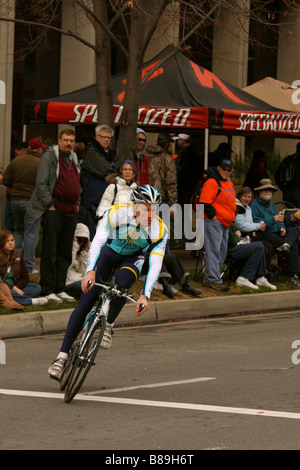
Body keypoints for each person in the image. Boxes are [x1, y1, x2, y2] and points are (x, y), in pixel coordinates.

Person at [48, 185, 168, 381]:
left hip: (132, 259)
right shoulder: (116, 214)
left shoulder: (159, 229)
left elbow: (155, 263)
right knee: (86, 302)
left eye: (154, 208)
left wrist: (145, 294)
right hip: (108, 254)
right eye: (146, 208)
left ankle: (109, 324)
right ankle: (61, 358)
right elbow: (97, 242)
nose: (150, 213)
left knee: (123, 284)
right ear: (134, 205)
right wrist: (89, 273)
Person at [26, 128, 81, 302]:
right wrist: (49, 204)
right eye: (65, 140)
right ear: (59, 140)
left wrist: (77, 202)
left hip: (71, 209)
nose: (68, 143)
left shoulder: (73, 157)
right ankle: (48, 288)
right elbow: (41, 183)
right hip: (55, 208)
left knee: (65, 251)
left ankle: (60, 287)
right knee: (51, 250)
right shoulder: (49, 156)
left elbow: (76, 182)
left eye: (71, 140)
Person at [2, 137, 46, 273]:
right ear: (38, 151)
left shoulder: (16, 162)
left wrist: (14, 188)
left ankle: (14, 264)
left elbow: (6, 180)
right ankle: (28, 267)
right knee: (31, 235)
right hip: (32, 203)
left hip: (15, 201)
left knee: (19, 232)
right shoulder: (40, 164)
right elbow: (44, 184)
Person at [251, 178, 300, 288]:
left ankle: (286, 244)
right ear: (259, 192)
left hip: (277, 234)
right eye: (265, 190)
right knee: (294, 246)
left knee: (296, 229)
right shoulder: (254, 206)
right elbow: (258, 224)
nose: (268, 192)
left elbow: (280, 220)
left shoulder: (271, 204)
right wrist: (273, 219)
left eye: (270, 190)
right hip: (265, 235)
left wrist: (282, 229)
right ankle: (293, 276)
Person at [198, 158, 236, 291]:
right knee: (213, 250)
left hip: (225, 223)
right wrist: (213, 217)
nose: (226, 171)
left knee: (222, 251)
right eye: (224, 169)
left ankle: (213, 276)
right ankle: (212, 278)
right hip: (215, 221)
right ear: (218, 168)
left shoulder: (228, 183)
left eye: (229, 169)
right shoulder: (212, 181)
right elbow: (204, 202)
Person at [80, 125, 122, 239]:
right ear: (97, 137)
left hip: (108, 200)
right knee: (95, 236)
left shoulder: (111, 153)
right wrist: (113, 166)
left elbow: (120, 166)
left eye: (109, 138)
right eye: (104, 137)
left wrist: (113, 165)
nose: (107, 140)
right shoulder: (91, 151)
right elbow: (104, 169)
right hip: (94, 200)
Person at [227, 200, 277, 290]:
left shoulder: (231, 220)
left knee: (260, 244)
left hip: (232, 247)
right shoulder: (225, 219)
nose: (236, 212)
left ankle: (261, 277)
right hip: (226, 251)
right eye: (235, 209)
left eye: (237, 210)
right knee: (259, 246)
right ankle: (243, 277)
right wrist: (236, 236)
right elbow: (230, 240)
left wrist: (238, 236)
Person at [145, 133, 178, 251]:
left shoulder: (145, 155)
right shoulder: (167, 158)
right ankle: (164, 261)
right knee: (162, 235)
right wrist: (174, 203)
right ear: (167, 144)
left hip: (145, 200)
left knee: (147, 233)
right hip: (161, 201)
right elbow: (171, 182)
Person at [0, 229, 48, 306]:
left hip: (17, 287)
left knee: (37, 287)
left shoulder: (17, 255)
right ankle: (30, 301)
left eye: (12, 240)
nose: (10, 243)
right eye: (7, 241)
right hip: (4, 288)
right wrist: (13, 288)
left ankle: (11, 298)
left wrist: (17, 288)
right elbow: (1, 281)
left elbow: (25, 276)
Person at [232, 186, 273, 271]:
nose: (247, 199)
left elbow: (250, 224)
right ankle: (256, 273)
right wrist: (258, 225)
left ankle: (266, 272)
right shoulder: (237, 207)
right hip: (240, 236)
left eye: (249, 197)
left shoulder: (248, 209)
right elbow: (241, 225)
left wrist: (259, 225)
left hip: (249, 235)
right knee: (263, 247)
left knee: (269, 246)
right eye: (245, 196)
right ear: (239, 196)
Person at [64, 223, 91, 298]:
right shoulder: (68, 249)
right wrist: (74, 246)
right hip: (69, 283)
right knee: (92, 284)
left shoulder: (81, 251)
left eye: (84, 241)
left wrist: (86, 253)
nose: (80, 243)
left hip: (80, 279)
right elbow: (69, 266)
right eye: (79, 239)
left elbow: (83, 271)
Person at [274, 142, 300, 207]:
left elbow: (276, 175)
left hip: (287, 193)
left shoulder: (288, 160)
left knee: (289, 213)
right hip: (298, 192)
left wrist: (284, 189)